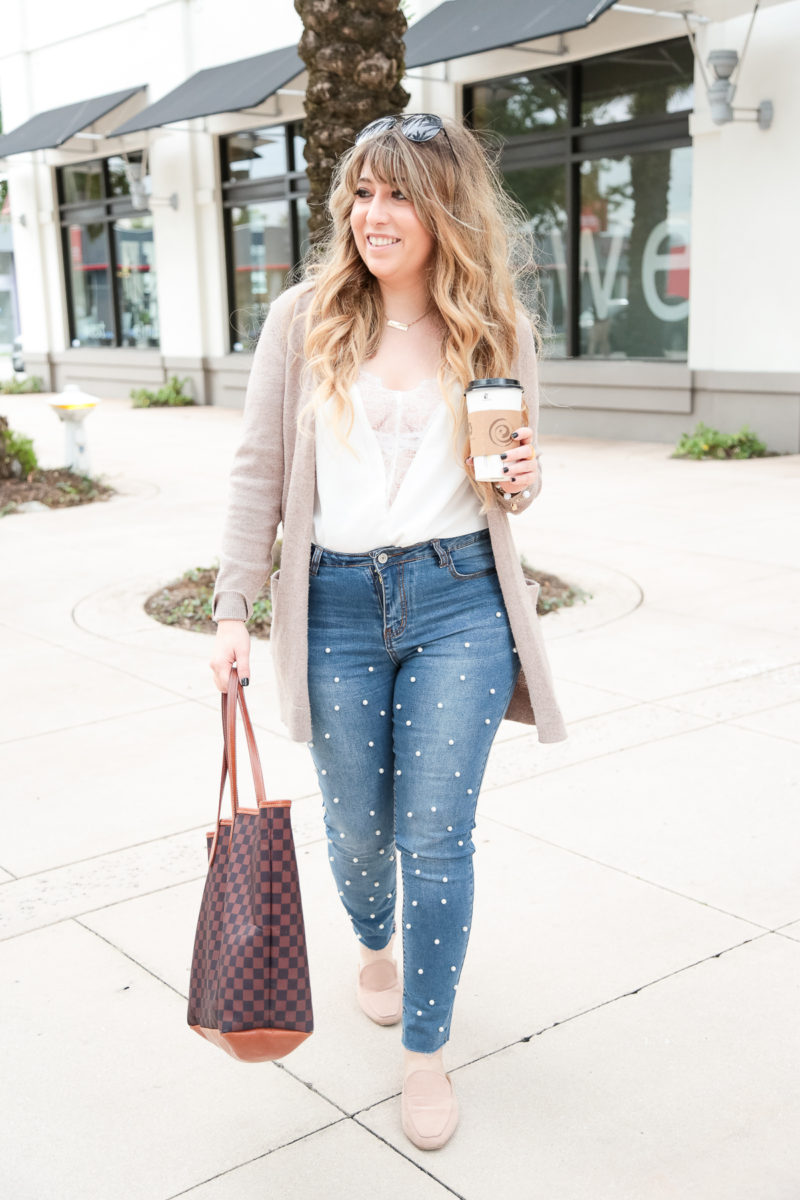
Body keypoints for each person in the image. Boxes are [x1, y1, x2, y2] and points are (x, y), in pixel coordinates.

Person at [209, 112, 567, 1151]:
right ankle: (371, 938)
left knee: (436, 840)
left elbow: (510, 485)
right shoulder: (301, 319)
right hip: (334, 608)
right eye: (360, 193)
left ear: (443, 205)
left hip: (460, 602)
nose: (373, 215)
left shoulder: (493, 327)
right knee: (359, 836)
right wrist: (233, 605)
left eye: (397, 193)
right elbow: (257, 473)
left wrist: (526, 481)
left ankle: (424, 1050)